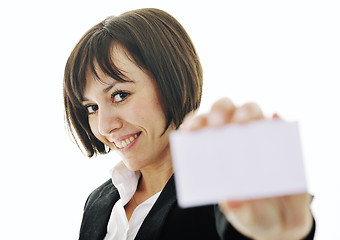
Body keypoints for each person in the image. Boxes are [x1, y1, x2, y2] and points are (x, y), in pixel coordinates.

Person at [63, 8, 315, 240]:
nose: (104, 126)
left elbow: (255, 226)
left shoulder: (220, 194)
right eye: (92, 108)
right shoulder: (97, 203)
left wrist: (280, 234)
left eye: (120, 95)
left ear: (170, 81)